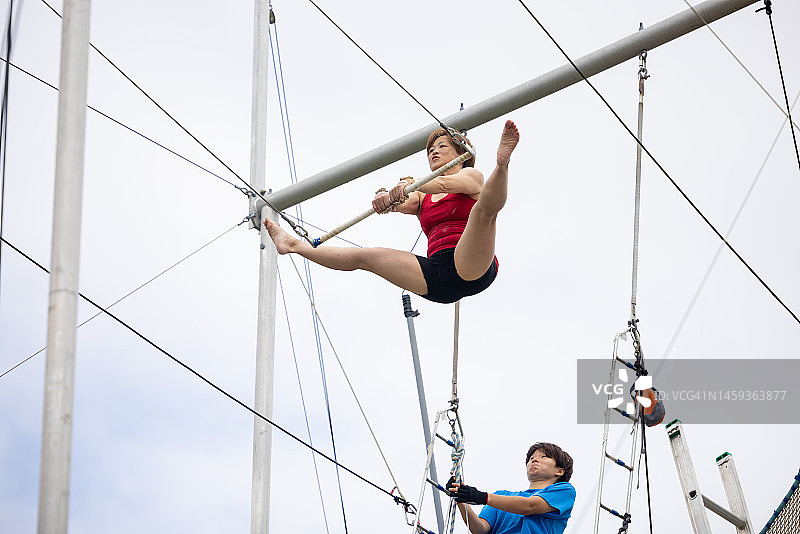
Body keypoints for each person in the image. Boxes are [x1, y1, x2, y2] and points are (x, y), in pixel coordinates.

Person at [263, 120, 520, 304]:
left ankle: (503, 164)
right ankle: (293, 245)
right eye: (431, 149)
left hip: (472, 266)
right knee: (365, 257)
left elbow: (443, 183)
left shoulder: (471, 175)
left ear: (461, 155)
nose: (434, 151)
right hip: (437, 278)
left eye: (442, 146)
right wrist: (385, 198)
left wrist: (409, 186)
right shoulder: (423, 195)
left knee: (483, 213)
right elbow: (403, 201)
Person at [447, 442, 575, 534]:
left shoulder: (564, 491)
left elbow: (530, 506)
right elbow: (480, 529)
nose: (534, 460)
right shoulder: (501, 496)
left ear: (559, 471)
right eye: (531, 458)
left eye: (543, 457)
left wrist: (481, 497)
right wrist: (460, 497)